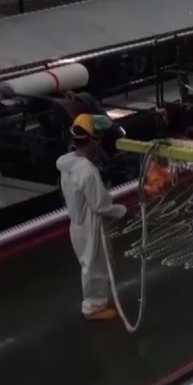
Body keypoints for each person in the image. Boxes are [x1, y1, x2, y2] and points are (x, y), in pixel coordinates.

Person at [57, 113, 128, 321]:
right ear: (91, 141)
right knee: (95, 266)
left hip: (78, 223)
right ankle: (93, 306)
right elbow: (100, 205)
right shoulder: (87, 171)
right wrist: (122, 211)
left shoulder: (68, 164)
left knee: (92, 263)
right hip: (90, 226)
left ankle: (97, 301)